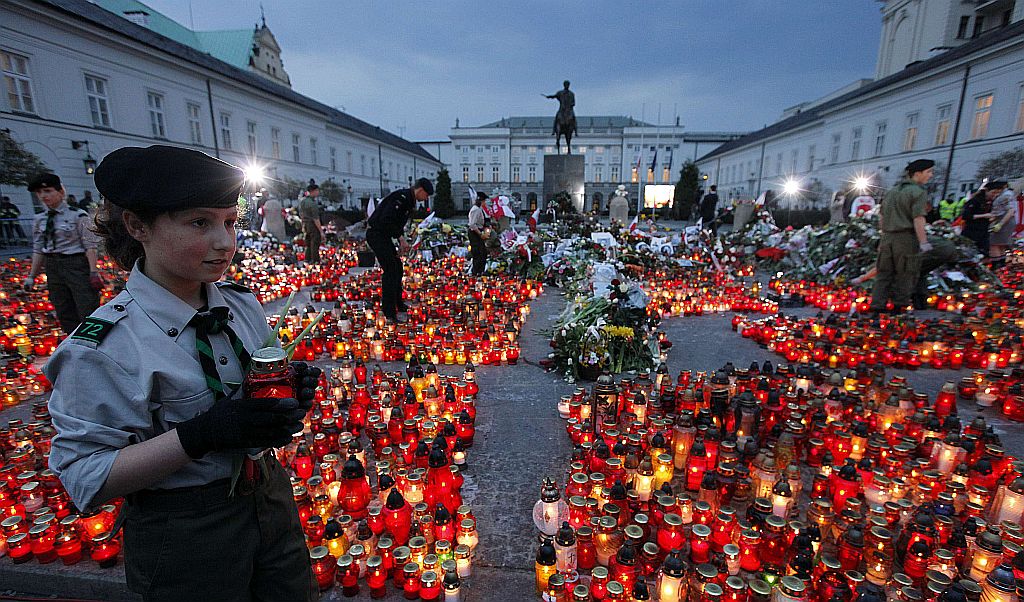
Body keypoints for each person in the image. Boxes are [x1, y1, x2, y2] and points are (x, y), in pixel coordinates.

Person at [46, 145, 318, 602]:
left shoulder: (240, 306)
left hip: (269, 498)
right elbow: (85, 477)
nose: (225, 242)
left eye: (229, 222)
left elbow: (251, 402)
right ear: (138, 227)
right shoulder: (105, 347)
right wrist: (199, 435)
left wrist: (284, 399)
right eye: (199, 223)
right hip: (186, 529)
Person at [24, 173, 101, 333]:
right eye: (39, 192)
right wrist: (32, 276)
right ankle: (71, 338)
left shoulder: (77, 215)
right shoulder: (40, 219)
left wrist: (93, 272)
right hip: (53, 265)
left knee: (86, 304)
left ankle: (93, 339)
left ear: (60, 191)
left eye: (48, 191)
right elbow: (38, 249)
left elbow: (90, 246)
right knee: (62, 306)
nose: (43, 196)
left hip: (75, 264)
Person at [869, 158, 934, 314]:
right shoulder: (918, 192)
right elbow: (918, 218)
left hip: (887, 237)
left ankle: (877, 305)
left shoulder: (892, 191)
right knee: (906, 272)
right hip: (905, 238)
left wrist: (884, 235)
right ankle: (899, 307)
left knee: (883, 273)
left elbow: (882, 216)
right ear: (917, 174)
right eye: (929, 172)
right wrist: (923, 242)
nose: (931, 175)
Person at [366, 177, 433, 322]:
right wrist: (400, 239)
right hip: (376, 234)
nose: (426, 198)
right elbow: (387, 220)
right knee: (390, 270)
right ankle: (389, 312)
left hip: (383, 236)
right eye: (426, 195)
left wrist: (400, 241)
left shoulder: (408, 199)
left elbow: (397, 224)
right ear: (420, 190)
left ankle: (398, 303)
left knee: (397, 267)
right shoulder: (401, 198)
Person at [851, 235, 958, 310]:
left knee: (910, 272)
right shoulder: (900, 239)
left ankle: (904, 303)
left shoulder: (894, 246)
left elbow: (880, 267)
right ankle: (921, 303)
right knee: (920, 272)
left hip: (937, 250)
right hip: (949, 249)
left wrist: (861, 278)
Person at [961, 182, 1002, 254]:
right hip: (971, 231)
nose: (995, 195)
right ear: (986, 191)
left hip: (983, 232)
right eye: (993, 192)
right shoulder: (975, 201)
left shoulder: (991, 202)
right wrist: (984, 215)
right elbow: (966, 216)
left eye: (997, 193)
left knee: (984, 252)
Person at [989, 181, 1015, 266]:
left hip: (1004, 221)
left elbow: (1010, 210)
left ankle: (997, 266)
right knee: (1001, 246)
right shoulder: (1005, 194)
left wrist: (1000, 224)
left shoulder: (1006, 195)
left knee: (994, 245)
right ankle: (1002, 267)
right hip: (1004, 221)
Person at [298, 183, 323, 264]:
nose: (318, 192)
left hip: (305, 224)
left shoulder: (303, 201)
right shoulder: (312, 203)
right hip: (312, 225)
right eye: (317, 190)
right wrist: (321, 231)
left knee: (308, 243)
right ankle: (315, 261)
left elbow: (300, 214)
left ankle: (307, 259)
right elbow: (316, 218)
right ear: (313, 191)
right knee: (315, 243)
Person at [467, 191, 488, 276]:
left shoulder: (478, 209)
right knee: (478, 253)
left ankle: (479, 271)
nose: (484, 203)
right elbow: (472, 224)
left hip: (477, 231)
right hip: (475, 233)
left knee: (482, 253)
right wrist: (480, 234)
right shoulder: (476, 210)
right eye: (484, 201)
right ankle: (476, 272)